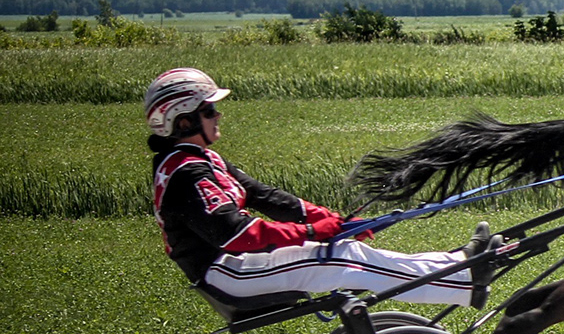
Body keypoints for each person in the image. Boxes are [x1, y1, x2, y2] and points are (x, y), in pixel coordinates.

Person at [145, 67, 492, 312]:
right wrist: (313, 232)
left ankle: (457, 265)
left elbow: (265, 196)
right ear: (184, 120)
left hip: (236, 267)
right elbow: (237, 234)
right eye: (210, 110)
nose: (218, 115)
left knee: (346, 247)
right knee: (343, 258)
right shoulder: (186, 174)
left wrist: (328, 219)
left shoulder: (201, 160)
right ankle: (462, 282)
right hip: (229, 273)